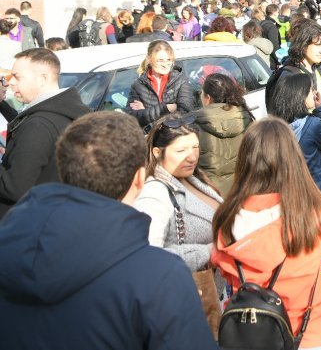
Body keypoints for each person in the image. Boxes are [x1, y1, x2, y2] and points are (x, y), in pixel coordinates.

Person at [0, 112, 217, 348]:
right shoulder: (159, 276)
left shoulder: (10, 246)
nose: (192, 155)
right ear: (139, 178)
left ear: (66, 169)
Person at [212, 118, 321, 350]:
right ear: (293, 159)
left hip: (253, 335)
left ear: (245, 161)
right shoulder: (314, 212)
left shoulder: (226, 218)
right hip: (311, 331)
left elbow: (223, 267)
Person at [0, 48, 90, 217]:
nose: (11, 83)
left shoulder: (39, 124)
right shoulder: (73, 113)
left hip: (27, 226)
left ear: (43, 78)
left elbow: (15, 187)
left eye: (18, 77)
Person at [135, 113, 224, 280]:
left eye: (195, 147)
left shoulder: (193, 178)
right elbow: (148, 256)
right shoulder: (154, 194)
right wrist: (208, 252)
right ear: (156, 152)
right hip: (193, 294)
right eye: (181, 150)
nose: (192, 157)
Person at [270, 72, 321, 203]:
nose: (314, 93)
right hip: (316, 196)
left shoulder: (276, 126)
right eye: (311, 90)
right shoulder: (312, 125)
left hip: (291, 196)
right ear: (300, 96)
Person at [195, 72, 253, 195]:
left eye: (201, 93)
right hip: (245, 189)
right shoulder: (246, 118)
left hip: (211, 193)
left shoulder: (194, 125)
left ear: (208, 97)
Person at [126, 40, 195, 129]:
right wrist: (166, 108)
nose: (165, 65)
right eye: (160, 60)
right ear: (150, 59)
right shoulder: (139, 84)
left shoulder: (180, 80)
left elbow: (185, 110)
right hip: (150, 138)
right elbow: (132, 117)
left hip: (174, 136)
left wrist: (146, 112)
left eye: (169, 60)